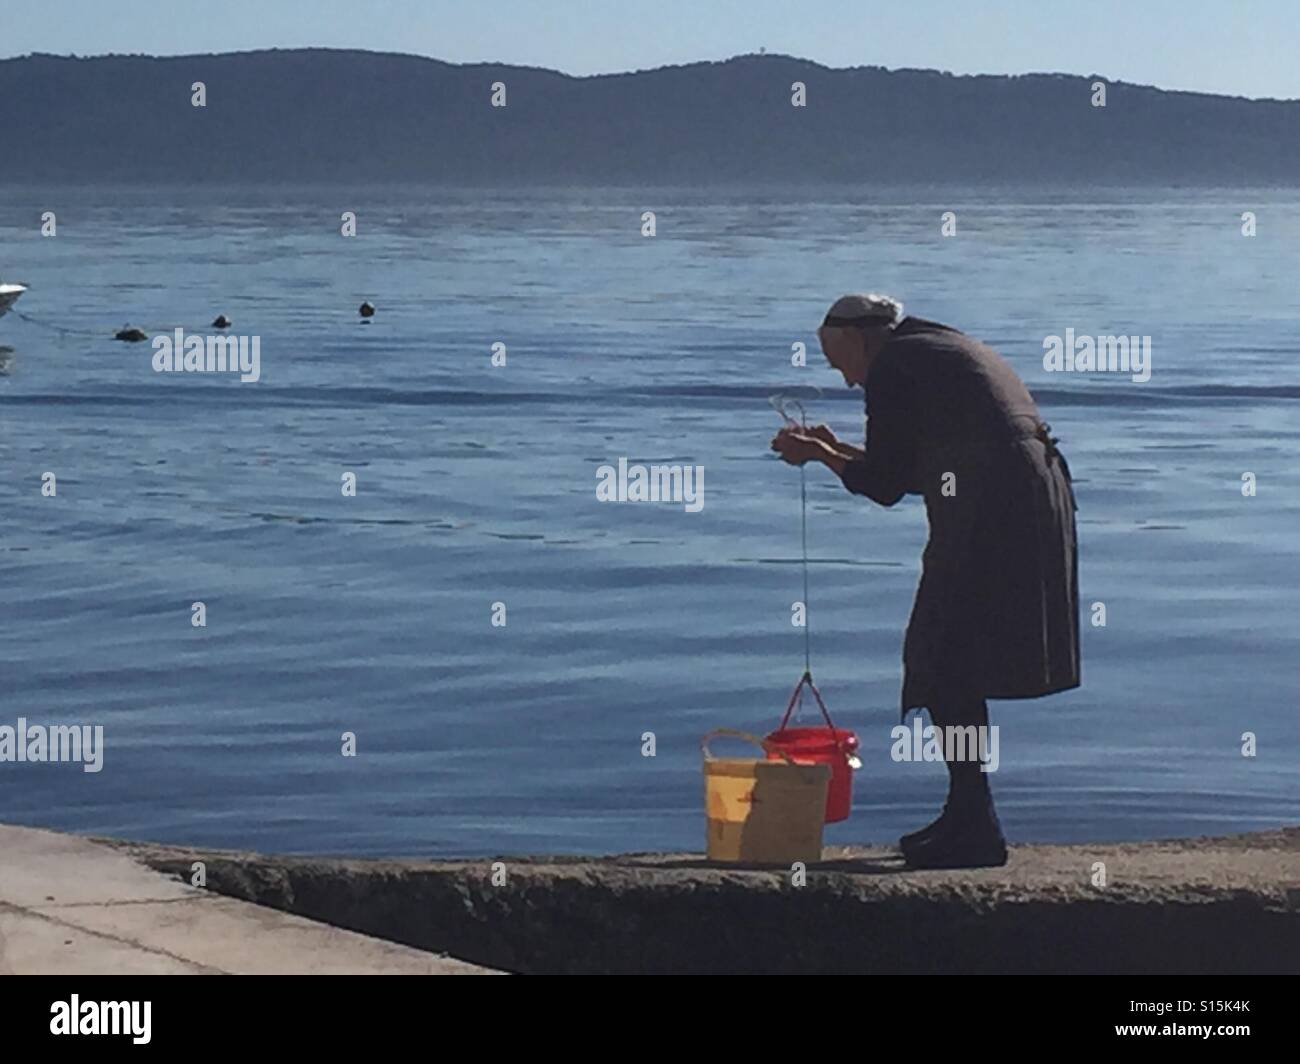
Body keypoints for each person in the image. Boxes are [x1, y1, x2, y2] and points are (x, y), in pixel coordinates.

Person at [771, 294, 1080, 869]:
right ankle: (967, 815)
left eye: (839, 362)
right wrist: (835, 448)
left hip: (995, 502)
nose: (845, 379)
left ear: (860, 338)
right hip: (1027, 494)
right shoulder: (933, 346)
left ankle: (975, 824)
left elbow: (886, 484)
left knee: (942, 655)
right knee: (954, 657)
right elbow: (914, 469)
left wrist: (817, 454)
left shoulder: (893, 365)